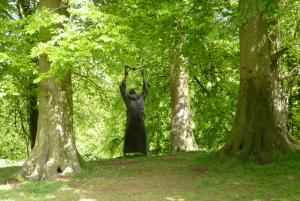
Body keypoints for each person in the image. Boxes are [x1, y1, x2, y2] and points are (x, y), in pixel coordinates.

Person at [120, 67, 149, 156]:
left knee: (135, 133)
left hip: (134, 115)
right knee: (134, 133)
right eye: (133, 92)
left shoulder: (129, 97)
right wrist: (143, 75)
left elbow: (122, 88)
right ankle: (141, 151)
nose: (133, 93)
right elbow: (145, 89)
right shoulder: (139, 97)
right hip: (136, 115)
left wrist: (125, 76)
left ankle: (140, 151)